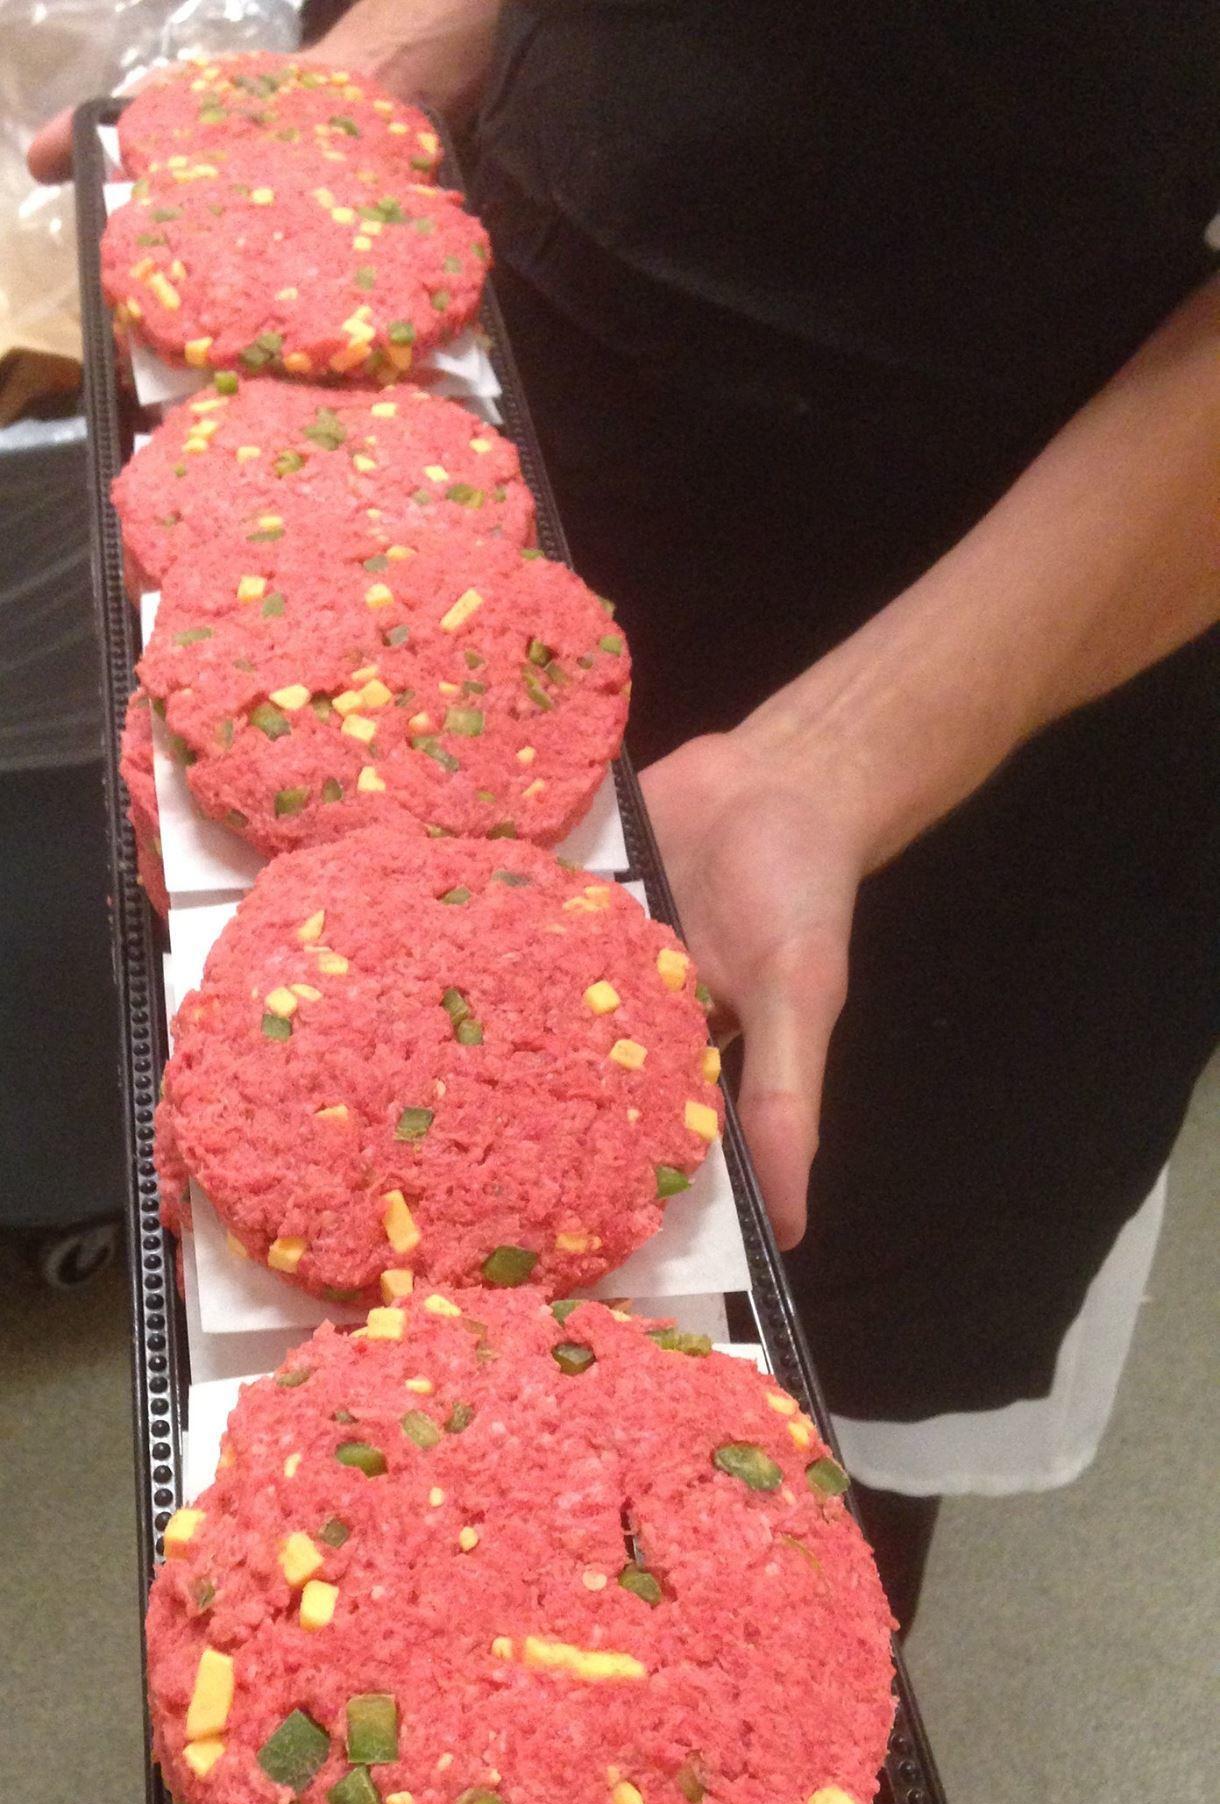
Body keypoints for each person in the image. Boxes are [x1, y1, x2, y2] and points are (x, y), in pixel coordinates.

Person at [32, 3, 1220, 1628]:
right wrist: (408, 53)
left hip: (1020, 644)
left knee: (788, 1397)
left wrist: (835, 758)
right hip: (519, 434)